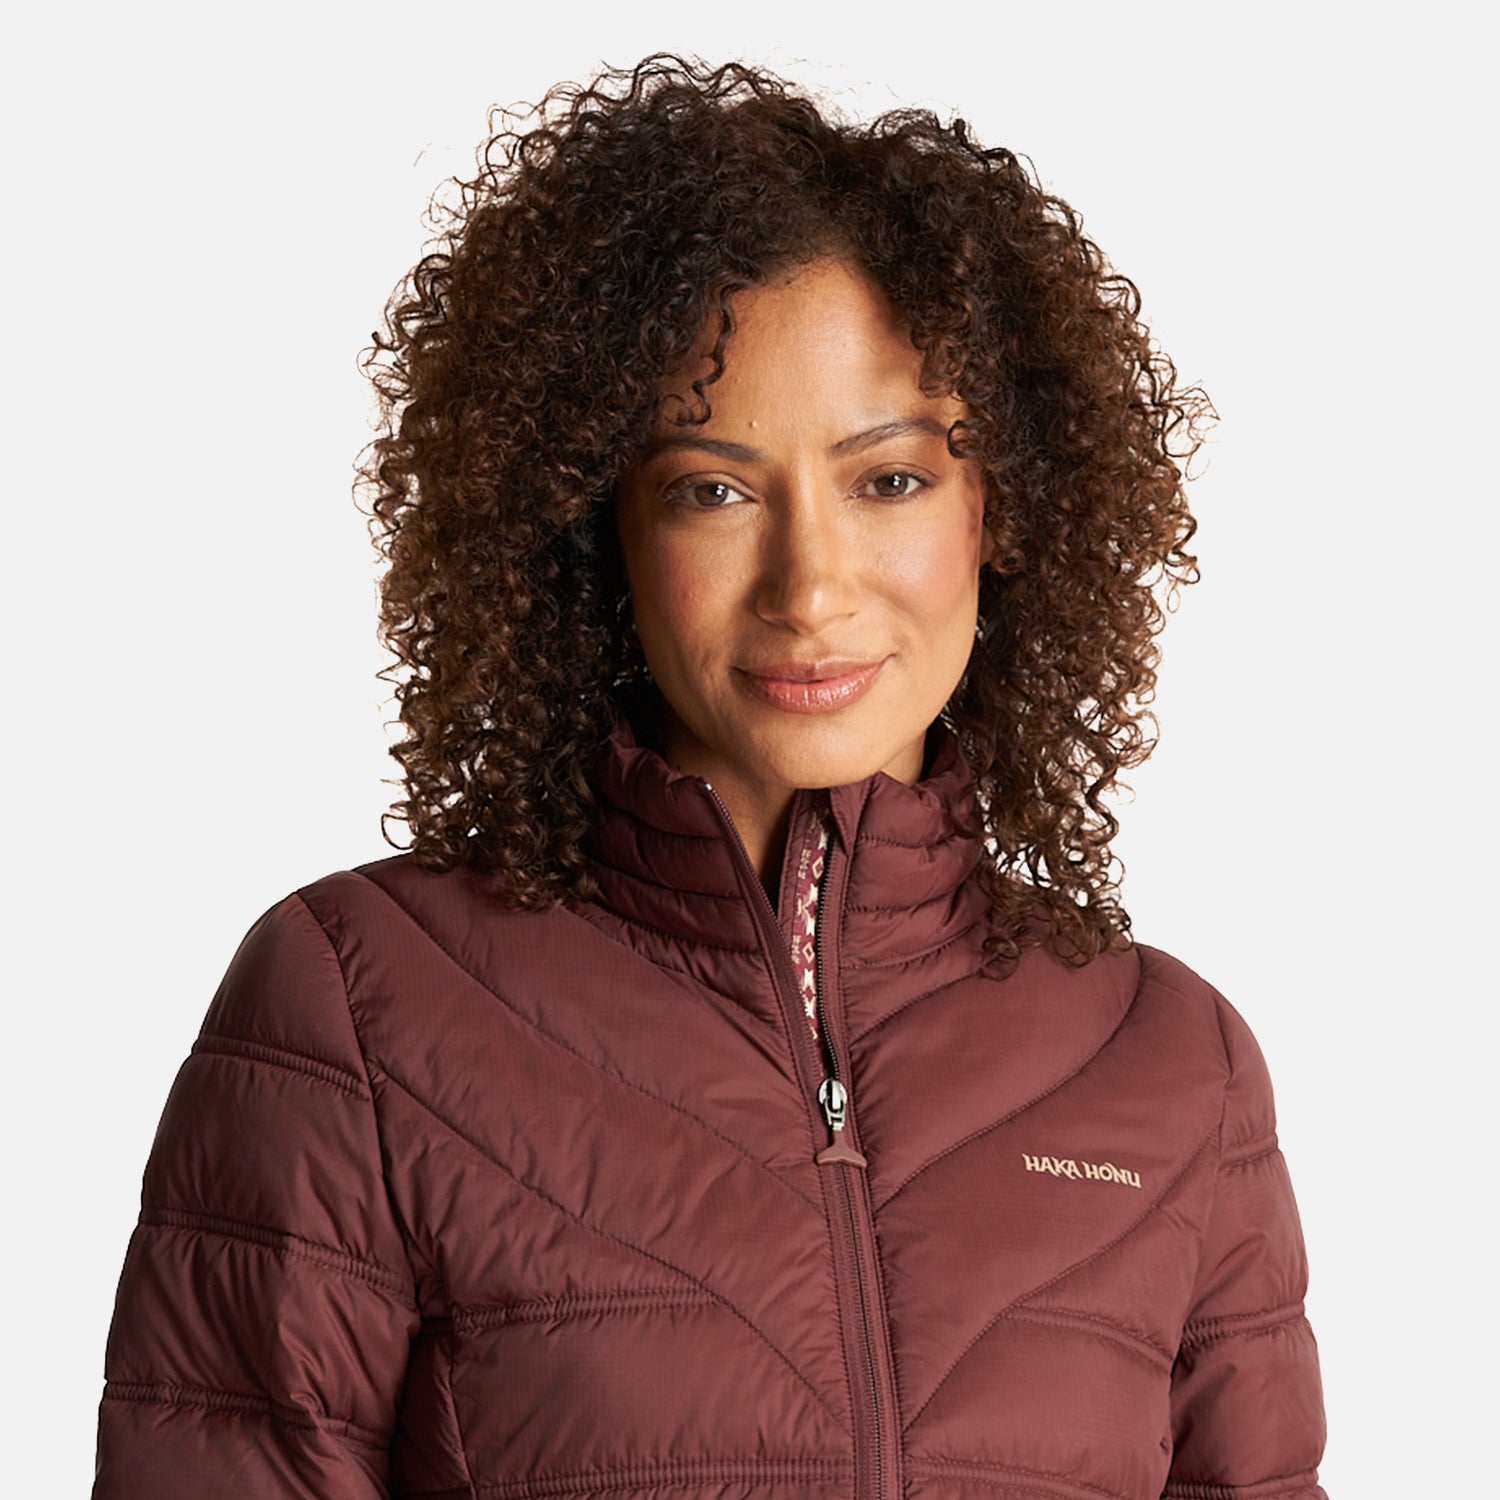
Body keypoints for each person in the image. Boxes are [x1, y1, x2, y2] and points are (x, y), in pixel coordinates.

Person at [93, 55, 1327, 1500]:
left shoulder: (1169, 1065)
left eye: (889, 479)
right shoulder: (358, 1009)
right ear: (596, 527)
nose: (811, 587)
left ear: (1001, 507)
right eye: (714, 489)